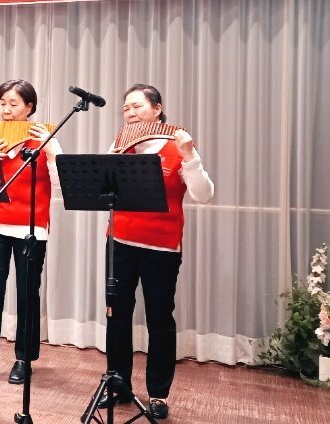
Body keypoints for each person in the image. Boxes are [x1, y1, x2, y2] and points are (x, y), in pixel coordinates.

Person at [102, 84, 214, 420]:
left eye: (137, 106)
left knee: (160, 319)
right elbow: (100, 186)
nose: (130, 113)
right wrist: (112, 158)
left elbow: (204, 194)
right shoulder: (121, 144)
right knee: (117, 315)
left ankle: (159, 394)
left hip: (161, 246)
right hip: (120, 241)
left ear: (157, 109)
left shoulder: (178, 146)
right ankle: (118, 385)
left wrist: (190, 156)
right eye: (126, 108)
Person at [0, 79, 62, 385]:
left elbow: (61, 184)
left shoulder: (46, 138)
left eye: (13, 104)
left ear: (29, 107)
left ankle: (24, 359)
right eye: (2, 104)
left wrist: (50, 150)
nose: (6, 110)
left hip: (31, 228)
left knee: (27, 295)